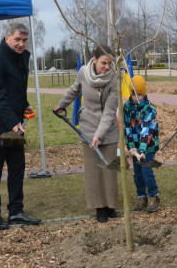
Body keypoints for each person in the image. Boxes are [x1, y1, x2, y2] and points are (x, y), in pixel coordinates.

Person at [0, 23, 41, 230]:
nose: (21, 44)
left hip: (14, 126)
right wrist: (13, 122)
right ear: (7, 39)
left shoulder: (21, 58)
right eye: (17, 39)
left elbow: (16, 90)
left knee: (17, 169)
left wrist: (25, 105)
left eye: (24, 40)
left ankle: (16, 211)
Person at [53, 45, 120, 223]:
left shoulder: (114, 78)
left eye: (110, 63)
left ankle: (110, 205)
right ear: (95, 60)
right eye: (104, 63)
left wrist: (100, 134)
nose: (107, 67)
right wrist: (61, 105)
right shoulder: (83, 72)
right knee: (94, 170)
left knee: (109, 169)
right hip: (88, 127)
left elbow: (109, 111)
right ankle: (99, 207)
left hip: (108, 128)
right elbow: (75, 90)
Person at [124, 75, 161, 213]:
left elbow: (147, 131)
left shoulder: (149, 109)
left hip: (148, 146)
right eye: (133, 94)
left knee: (146, 170)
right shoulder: (127, 107)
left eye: (139, 94)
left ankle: (154, 197)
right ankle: (141, 197)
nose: (136, 98)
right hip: (135, 147)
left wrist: (142, 151)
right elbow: (127, 128)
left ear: (143, 93)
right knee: (137, 173)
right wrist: (132, 147)